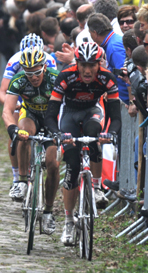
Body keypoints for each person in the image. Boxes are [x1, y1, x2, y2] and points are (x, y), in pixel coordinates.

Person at [45, 42, 119, 244]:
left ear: (99, 64)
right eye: (82, 64)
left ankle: (95, 187)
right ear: (76, 63)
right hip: (68, 114)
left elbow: (116, 116)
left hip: (92, 112)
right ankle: (68, 222)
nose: (87, 70)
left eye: (92, 65)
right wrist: (56, 134)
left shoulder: (107, 78)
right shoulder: (66, 76)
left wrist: (110, 133)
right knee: (73, 164)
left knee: (94, 133)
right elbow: (51, 114)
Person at [2, 46, 60, 234]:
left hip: (52, 117)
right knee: (24, 133)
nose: (33, 77)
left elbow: (67, 107)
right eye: (29, 73)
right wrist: (13, 129)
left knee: (53, 164)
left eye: (36, 72)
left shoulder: (54, 78)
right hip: (31, 114)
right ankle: (22, 180)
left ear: (44, 67)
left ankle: (49, 212)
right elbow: (7, 110)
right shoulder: (18, 80)